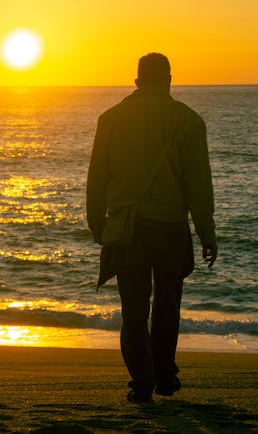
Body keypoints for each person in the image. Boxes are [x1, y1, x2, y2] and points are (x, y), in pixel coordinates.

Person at [86, 53, 217, 403]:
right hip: (171, 228)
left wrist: (96, 221)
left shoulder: (111, 119)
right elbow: (199, 185)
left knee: (134, 309)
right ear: (169, 80)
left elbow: (97, 178)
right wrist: (206, 231)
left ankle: (141, 382)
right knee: (167, 306)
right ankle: (165, 375)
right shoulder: (188, 121)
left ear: (136, 81)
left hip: (127, 229)